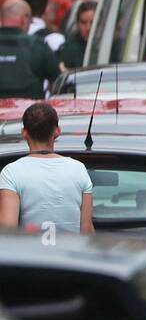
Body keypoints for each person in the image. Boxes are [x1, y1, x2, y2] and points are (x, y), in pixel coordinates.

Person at [0, 101, 93, 236]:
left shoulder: (11, 173)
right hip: (70, 256)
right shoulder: (78, 169)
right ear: (57, 131)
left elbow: (7, 229)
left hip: (30, 256)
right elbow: (86, 231)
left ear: (24, 133)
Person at [0, 0, 60, 98]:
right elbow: (58, 81)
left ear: (1, 19)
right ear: (24, 19)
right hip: (28, 111)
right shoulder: (37, 45)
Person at [58, 1, 96, 69]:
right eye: (83, 22)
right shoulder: (68, 50)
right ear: (77, 24)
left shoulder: (111, 46)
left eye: (93, 22)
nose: (88, 28)